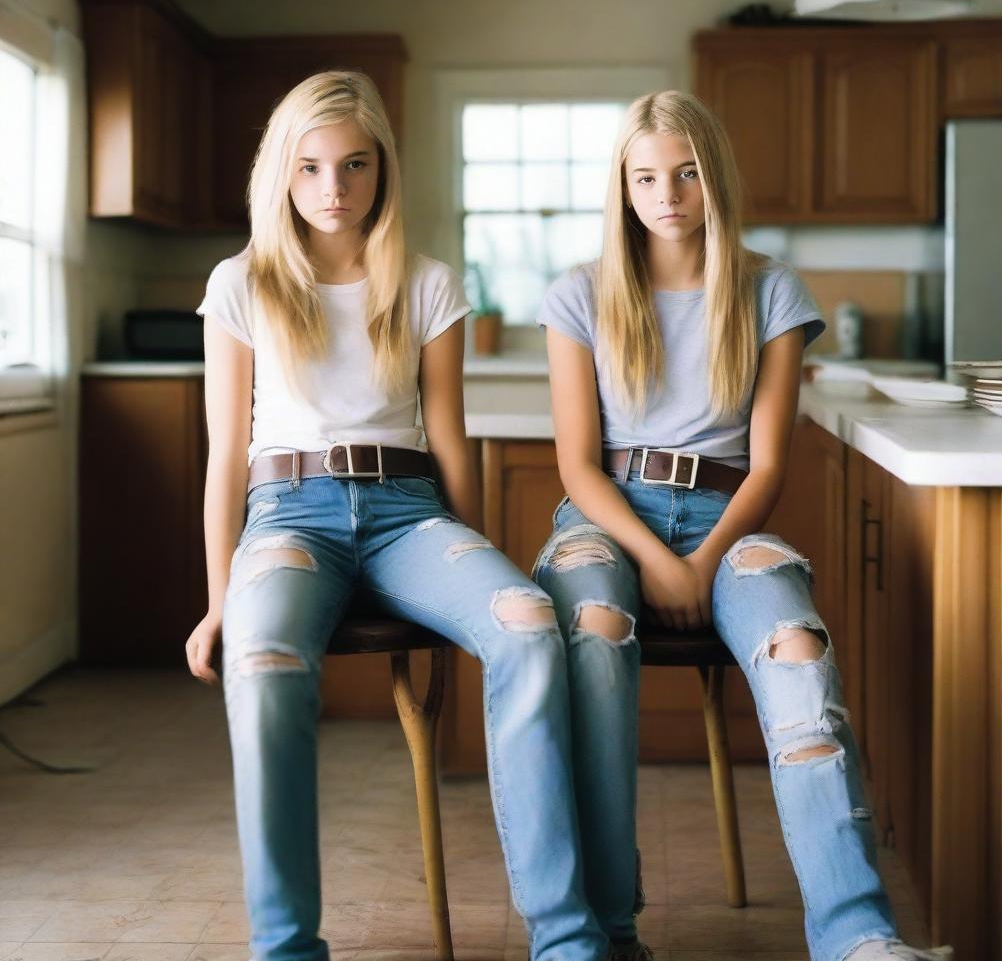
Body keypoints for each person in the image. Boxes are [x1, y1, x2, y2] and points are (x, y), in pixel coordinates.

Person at [184, 70, 607, 961]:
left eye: (354, 165)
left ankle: (569, 942)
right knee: (258, 664)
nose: (332, 189)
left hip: (409, 514)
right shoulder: (241, 282)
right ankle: (287, 947)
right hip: (287, 516)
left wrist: (477, 570)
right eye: (310, 168)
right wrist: (221, 596)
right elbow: (226, 454)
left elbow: (450, 440)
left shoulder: (427, 283)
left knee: (529, 623)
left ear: (383, 170)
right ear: (281, 176)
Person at [532, 90, 953, 961]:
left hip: (730, 519)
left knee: (798, 648)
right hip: (609, 518)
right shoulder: (580, 294)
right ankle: (609, 930)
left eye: (685, 173)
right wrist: (655, 558)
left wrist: (703, 559)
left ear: (714, 176)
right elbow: (577, 462)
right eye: (645, 176)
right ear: (622, 186)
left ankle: (860, 938)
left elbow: (767, 467)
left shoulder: (771, 291)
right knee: (596, 629)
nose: (667, 193)